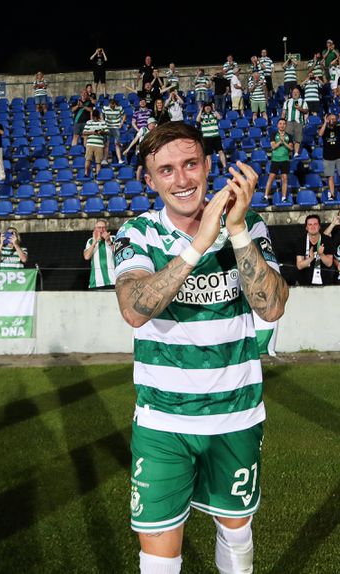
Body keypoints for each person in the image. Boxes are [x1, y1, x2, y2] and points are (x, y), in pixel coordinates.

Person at [112, 122, 288, 574]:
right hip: (162, 418)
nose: (182, 179)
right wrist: (200, 243)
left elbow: (270, 308)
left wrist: (237, 232)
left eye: (191, 164)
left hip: (236, 413)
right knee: (157, 549)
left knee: (236, 530)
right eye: (166, 170)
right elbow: (134, 309)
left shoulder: (247, 224)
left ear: (209, 166)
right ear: (149, 181)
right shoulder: (137, 232)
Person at [295, 214, 336, 286]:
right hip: (305, 282)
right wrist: (311, 258)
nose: (313, 227)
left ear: (319, 226)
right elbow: (299, 265)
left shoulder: (327, 240)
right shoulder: (301, 241)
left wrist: (321, 254)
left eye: (315, 224)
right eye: (310, 224)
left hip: (324, 281)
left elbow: (329, 263)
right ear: (306, 228)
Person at [319, 114, 340, 201]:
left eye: (334, 118)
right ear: (327, 119)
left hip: (339, 155)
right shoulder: (324, 128)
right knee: (330, 176)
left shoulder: (337, 128)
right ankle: (332, 195)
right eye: (331, 118)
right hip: (328, 156)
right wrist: (325, 123)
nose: (333, 120)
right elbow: (320, 133)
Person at [265, 118, 293, 203]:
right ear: (277, 125)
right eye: (280, 123)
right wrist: (280, 142)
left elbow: (291, 148)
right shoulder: (274, 134)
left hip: (285, 160)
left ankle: (284, 197)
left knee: (284, 178)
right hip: (275, 160)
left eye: (284, 124)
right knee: (271, 178)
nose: (282, 125)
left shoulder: (289, 136)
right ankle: (265, 196)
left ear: (286, 125)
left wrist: (284, 142)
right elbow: (273, 146)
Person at [83, 220, 115, 289]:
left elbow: (119, 253)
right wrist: (94, 242)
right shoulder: (91, 241)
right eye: (99, 228)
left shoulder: (113, 238)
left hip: (113, 281)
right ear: (95, 229)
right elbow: (86, 257)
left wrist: (109, 241)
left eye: (103, 228)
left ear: (106, 229)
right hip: (96, 283)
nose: (101, 230)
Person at [198, 103, 227, 173]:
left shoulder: (213, 114)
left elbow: (219, 117)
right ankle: (209, 169)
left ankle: (225, 167)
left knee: (220, 151)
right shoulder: (202, 116)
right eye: (206, 107)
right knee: (208, 155)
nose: (208, 108)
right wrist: (200, 110)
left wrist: (214, 109)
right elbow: (197, 120)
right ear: (204, 108)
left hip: (216, 136)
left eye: (209, 107)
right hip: (207, 138)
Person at [281, 87, 308, 158]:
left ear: (299, 94)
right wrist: (282, 122)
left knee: (298, 139)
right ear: (292, 93)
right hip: (288, 122)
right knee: (288, 138)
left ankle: (296, 152)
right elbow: (283, 112)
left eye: (297, 92)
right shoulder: (287, 102)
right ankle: (288, 152)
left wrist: (299, 108)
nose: (295, 93)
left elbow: (306, 111)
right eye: (294, 92)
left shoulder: (303, 101)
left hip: (298, 122)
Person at [83, 110, 108, 179]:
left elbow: (107, 132)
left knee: (98, 162)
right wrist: (92, 132)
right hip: (90, 144)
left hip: (99, 145)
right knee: (88, 159)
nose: (95, 119)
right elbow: (84, 133)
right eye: (94, 117)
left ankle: (98, 175)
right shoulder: (88, 122)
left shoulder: (103, 123)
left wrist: (101, 132)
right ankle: (86, 174)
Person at [102, 99, 125, 165]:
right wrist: (103, 122)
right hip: (107, 127)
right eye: (111, 105)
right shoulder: (105, 108)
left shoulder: (119, 108)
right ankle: (105, 159)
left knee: (117, 143)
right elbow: (102, 114)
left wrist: (121, 123)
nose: (112, 106)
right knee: (107, 143)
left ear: (115, 104)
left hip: (116, 127)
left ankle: (120, 160)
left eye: (113, 105)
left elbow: (124, 115)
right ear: (109, 104)